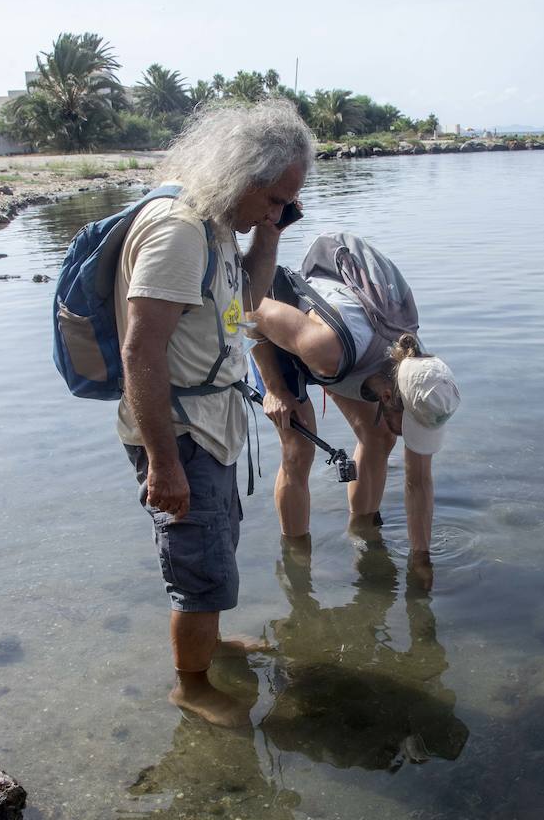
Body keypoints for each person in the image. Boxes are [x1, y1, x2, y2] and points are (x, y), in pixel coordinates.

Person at [117, 99, 313, 728]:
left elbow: (249, 300)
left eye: (288, 203)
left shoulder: (220, 224)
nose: (279, 210)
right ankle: (190, 684)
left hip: (213, 425)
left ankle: (210, 644)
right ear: (243, 174)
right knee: (197, 562)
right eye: (277, 199)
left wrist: (271, 233)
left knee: (217, 542)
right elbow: (141, 350)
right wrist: (165, 465)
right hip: (176, 431)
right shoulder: (178, 231)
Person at [247, 237, 460, 581]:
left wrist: (421, 559)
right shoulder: (324, 347)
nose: (411, 435)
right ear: (389, 398)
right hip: (283, 336)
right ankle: (297, 565)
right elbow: (248, 308)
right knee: (298, 449)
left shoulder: (421, 376)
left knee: (379, 437)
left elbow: (418, 482)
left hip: (354, 360)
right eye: (410, 425)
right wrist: (275, 388)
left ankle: (362, 532)